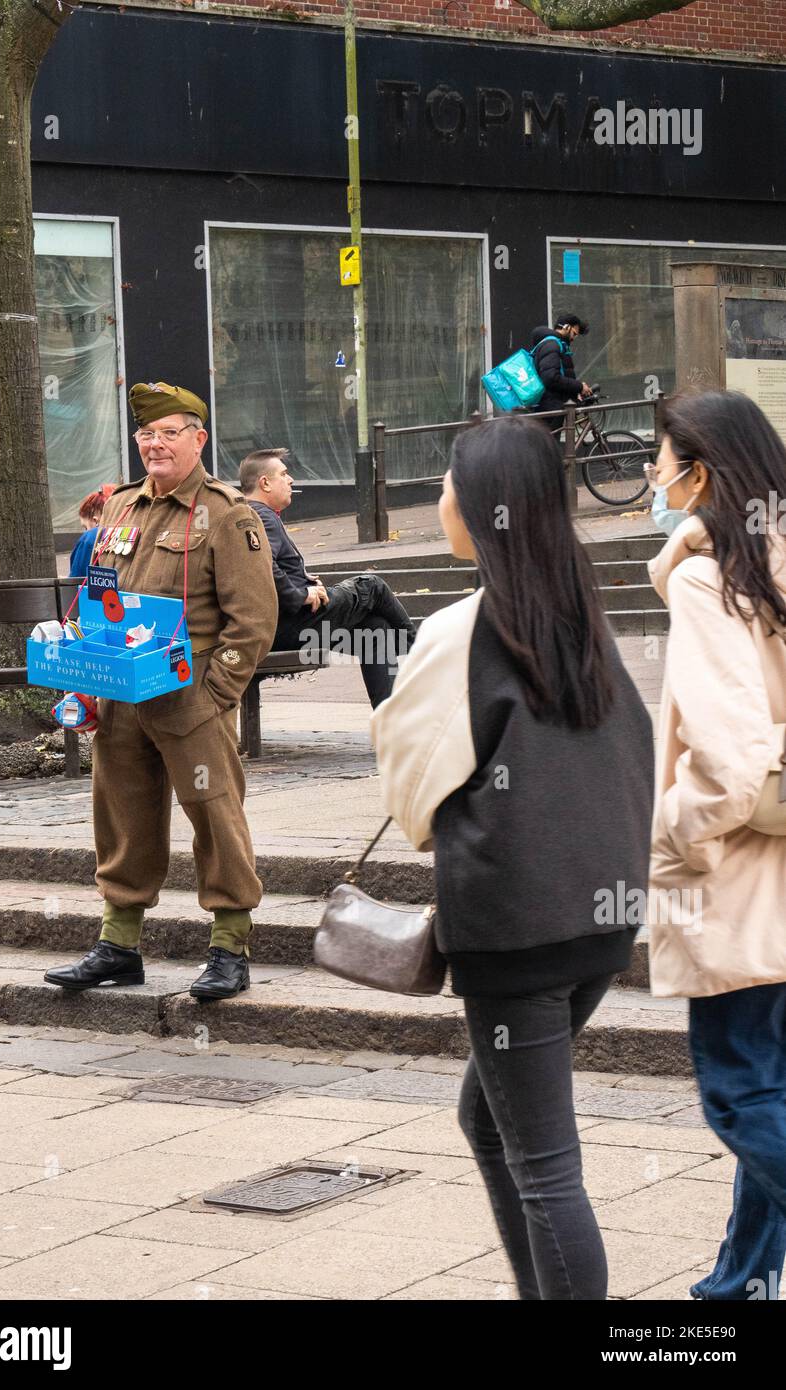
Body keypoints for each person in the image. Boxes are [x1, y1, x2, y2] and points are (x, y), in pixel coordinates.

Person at [371, 414, 654, 1300]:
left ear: (487, 503)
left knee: (545, 1167)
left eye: (450, 484)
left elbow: (409, 788)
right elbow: (634, 749)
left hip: (515, 928)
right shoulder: (579, 611)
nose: (443, 500)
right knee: (489, 1123)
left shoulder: (463, 630)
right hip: (596, 922)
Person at [45, 381, 278, 1001]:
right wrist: (83, 678)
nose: (154, 444)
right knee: (122, 818)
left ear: (198, 440)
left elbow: (252, 619)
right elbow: (99, 599)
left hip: (188, 696)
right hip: (120, 698)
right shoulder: (119, 508)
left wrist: (216, 693)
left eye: (168, 433)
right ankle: (119, 945)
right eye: (146, 435)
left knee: (214, 818)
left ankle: (229, 947)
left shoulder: (228, 513)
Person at [646, 390, 786, 1301]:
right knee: (773, 1087)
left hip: (739, 878)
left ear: (700, 469)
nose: (651, 478)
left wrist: (669, 834)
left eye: (659, 461)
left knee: (740, 1093)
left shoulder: (711, 579)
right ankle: (735, 1287)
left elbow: (731, 761)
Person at [239, 448, 416, 707]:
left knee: (376, 629)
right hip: (287, 625)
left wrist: (302, 579)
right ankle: (421, 651)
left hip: (281, 626)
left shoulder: (251, 515)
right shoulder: (260, 516)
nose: (291, 480)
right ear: (265, 482)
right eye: (284, 474)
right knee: (371, 586)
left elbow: (264, 565)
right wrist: (301, 593)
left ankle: (391, 721)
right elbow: (263, 566)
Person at [530, 313, 593, 424]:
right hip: (550, 408)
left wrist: (575, 391)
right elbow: (551, 378)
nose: (574, 338)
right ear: (566, 327)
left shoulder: (557, 344)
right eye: (574, 333)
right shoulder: (552, 345)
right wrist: (579, 386)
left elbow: (561, 376)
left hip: (553, 406)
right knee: (551, 441)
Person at [69, 484, 117, 577]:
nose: (86, 531)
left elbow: (77, 580)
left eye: (85, 527)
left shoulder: (90, 537)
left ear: (96, 521)